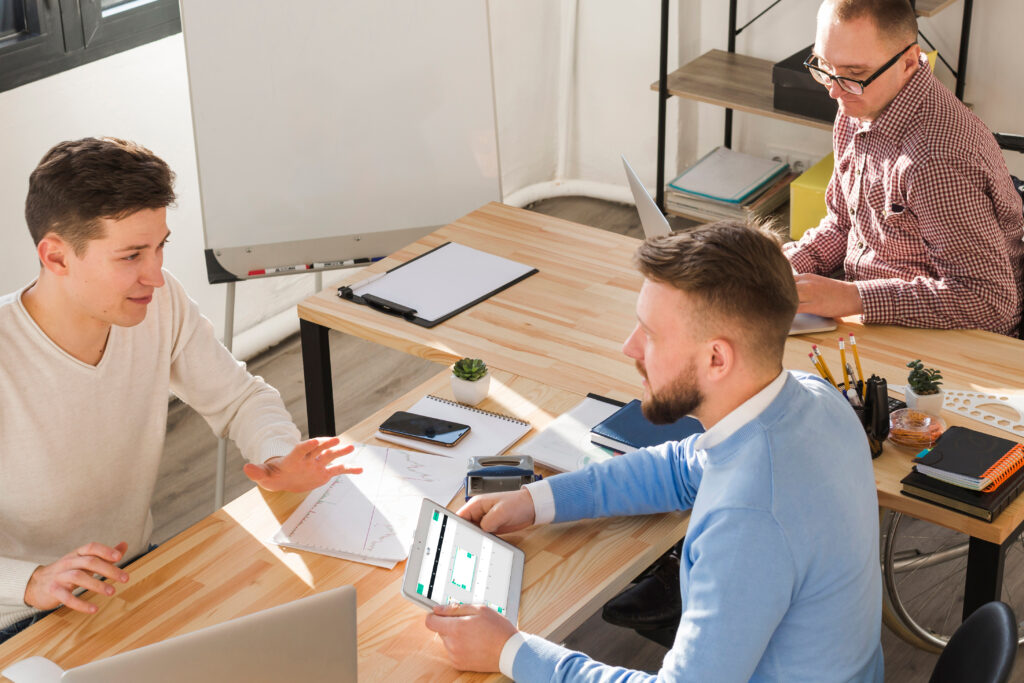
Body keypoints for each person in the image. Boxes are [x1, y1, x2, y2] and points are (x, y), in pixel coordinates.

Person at [425, 221, 884, 681]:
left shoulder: (747, 521)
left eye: (650, 333)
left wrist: (509, 652)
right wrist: (537, 500)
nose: (629, 347)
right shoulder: (816, 398)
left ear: (717, 359)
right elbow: (684, 467)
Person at [0, 138, 361, 641]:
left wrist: (277, 456)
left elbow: (240, 399)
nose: (155, 275)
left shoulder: (157, 304)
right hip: (18, 618)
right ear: (57, 257)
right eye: (130, 255)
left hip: (131, 579)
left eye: (159, 246)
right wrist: (32, 581)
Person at [786, 0, 1024, 335]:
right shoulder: (858, 103)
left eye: (854, 74)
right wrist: (780, 273)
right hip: (874, 312)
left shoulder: (936, 158)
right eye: (824, 66)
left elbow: (988, 302)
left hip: (954, 339)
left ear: (909, 61)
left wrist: (853, 298)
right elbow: (843, 226)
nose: (834, 91)